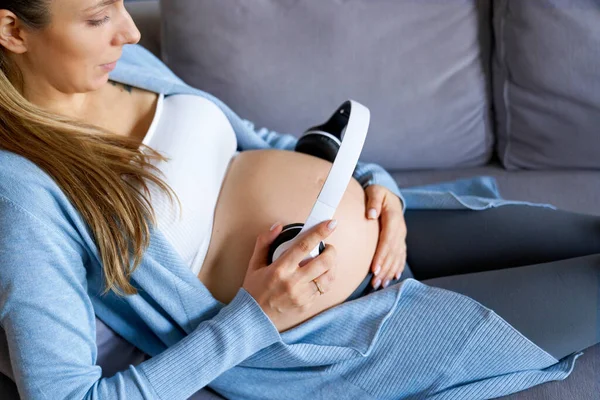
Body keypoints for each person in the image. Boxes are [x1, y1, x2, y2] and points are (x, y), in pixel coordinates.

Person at [0, 1, 597, 399]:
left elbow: (265, 144)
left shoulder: (123, 62)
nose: (130, 29)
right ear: (12, 30)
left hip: (387, 226)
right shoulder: (24, 190)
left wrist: (376, 183)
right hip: (332, 334)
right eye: (99, 16)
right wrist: (254, 319)